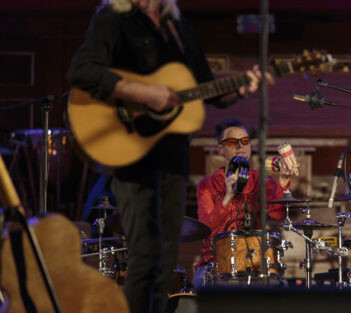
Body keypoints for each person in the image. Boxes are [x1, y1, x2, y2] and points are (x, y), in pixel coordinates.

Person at [66, 1, 267, 312]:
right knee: (144, 256)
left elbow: (206, 86)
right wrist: (144, 93)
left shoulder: (177, 26)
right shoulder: (115, 18)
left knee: (165, 259)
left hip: (173, 154)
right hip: (131, 151)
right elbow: (82, 70)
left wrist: (241, 87)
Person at [194, 119, 293, 287]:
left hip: (254, 262)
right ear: (221, 149)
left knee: (277, 286)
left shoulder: (261, 181)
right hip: (214, 262)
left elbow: (278, 214)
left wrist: (283, 182)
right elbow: (205, 227)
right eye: (233, 142)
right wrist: (228, 196)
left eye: (245, 141)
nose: (240, 146)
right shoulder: (207, 185)